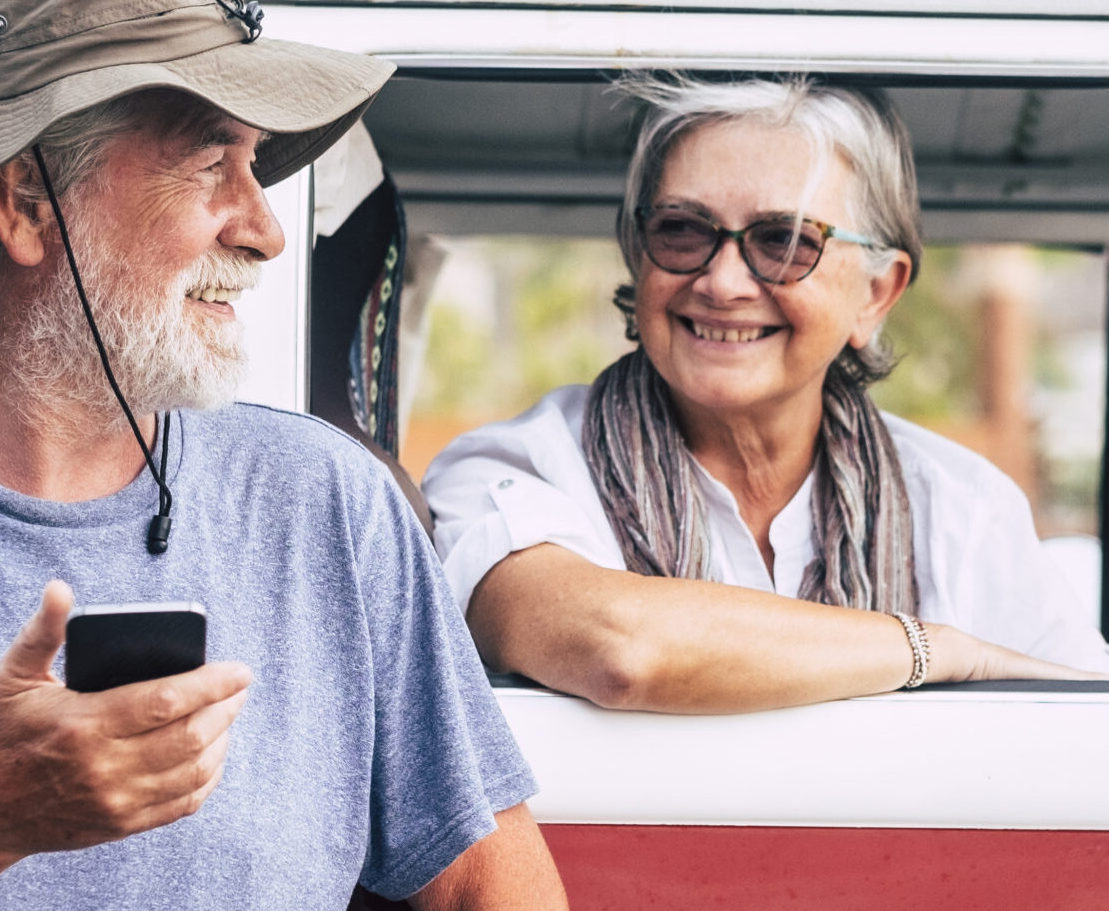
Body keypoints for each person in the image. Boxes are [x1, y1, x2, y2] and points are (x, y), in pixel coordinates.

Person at [0, 0, 568, 909]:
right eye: (213, 163)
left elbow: (492, 891)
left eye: (257, 166)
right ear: (26, 202)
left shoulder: (330, 502)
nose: (263, 231)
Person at [422, 74, 1109, 714]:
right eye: (683, 230)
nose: (723, 282)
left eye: (783, 241)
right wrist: (940, 650)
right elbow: (621, 649)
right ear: (639, 254)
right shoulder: (514, 471)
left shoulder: (965, 509)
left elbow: (1084, 737)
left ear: (875, 293)